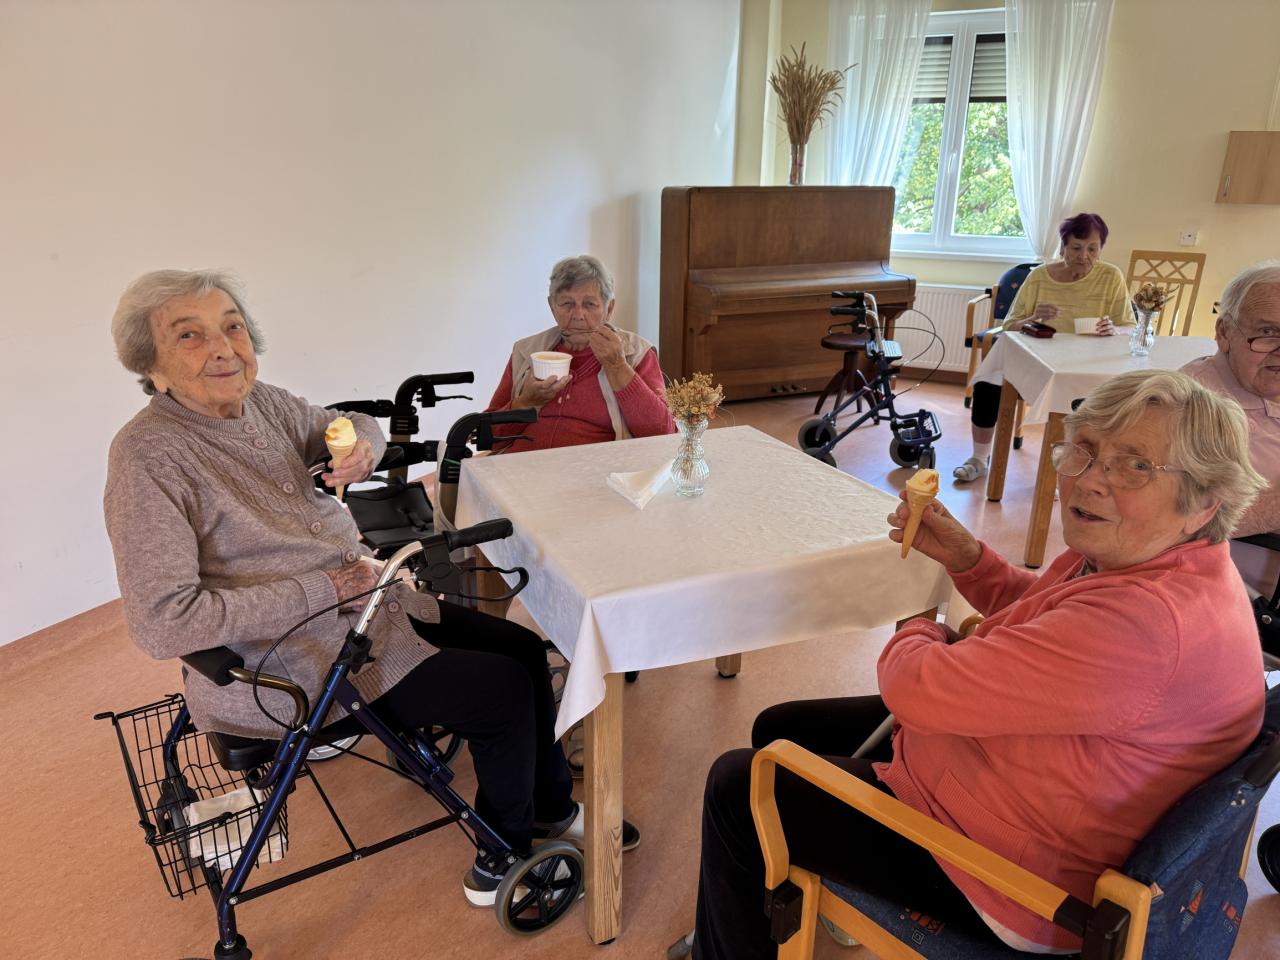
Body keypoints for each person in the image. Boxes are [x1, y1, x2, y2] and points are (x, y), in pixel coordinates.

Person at [103, 269, 637, 909]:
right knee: (500, 694)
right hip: (288, 662)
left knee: (523, 651)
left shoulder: (262, 403)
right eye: (189, 335)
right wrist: (324, 587)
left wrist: (363, 443)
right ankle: (502, 857)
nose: (223, 349)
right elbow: (161, 621)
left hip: (367, 612)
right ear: (150, 364)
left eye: (232, 327)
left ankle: (551, 808)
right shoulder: (148, 457)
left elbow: (347, 423)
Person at [686, 369, 1264, 959]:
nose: (1090, 480)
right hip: (1033, 791)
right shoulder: (1168, 563)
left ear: (1204, 501)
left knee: (740, 786)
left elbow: (913, 687)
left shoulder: (1145, 626)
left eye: (1135, 465)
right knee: (782, 727)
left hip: (1017, 879)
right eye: (1086, 451)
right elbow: (1050, 619)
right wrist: (970, 561)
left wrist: (922, 622)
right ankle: (791, 894)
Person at [954, 212, 1131, 483]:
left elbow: (1129, 326)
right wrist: (1033, 318)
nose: (1084, 256)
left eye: (1092, 249)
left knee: (1088, 404)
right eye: (1076, 247)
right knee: (988, 384)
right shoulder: (1039, 277)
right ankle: (979, 458)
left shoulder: (1111, 276)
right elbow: (1009, 325)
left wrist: (1114, 329)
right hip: (1036, 358)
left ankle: (1069, 470)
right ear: (1062, 247)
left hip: (1086, 363)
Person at [485, 255, 675, 451]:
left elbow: (663, 433)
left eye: (589, 304)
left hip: (596, 466)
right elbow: (487, 437)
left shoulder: (636, 352)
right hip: (519, 464)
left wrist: (618, 366)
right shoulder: (527, 351)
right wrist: (526, 402)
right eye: (567, 304)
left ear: (609, 309)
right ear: (552, 306)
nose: (577, 315)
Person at [1182, 261, 1280, 594]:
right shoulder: (1189, 406)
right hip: (1240, 593)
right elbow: (1169, 520)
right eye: (1268, 333)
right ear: (1224, 333)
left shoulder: (1264, 382)